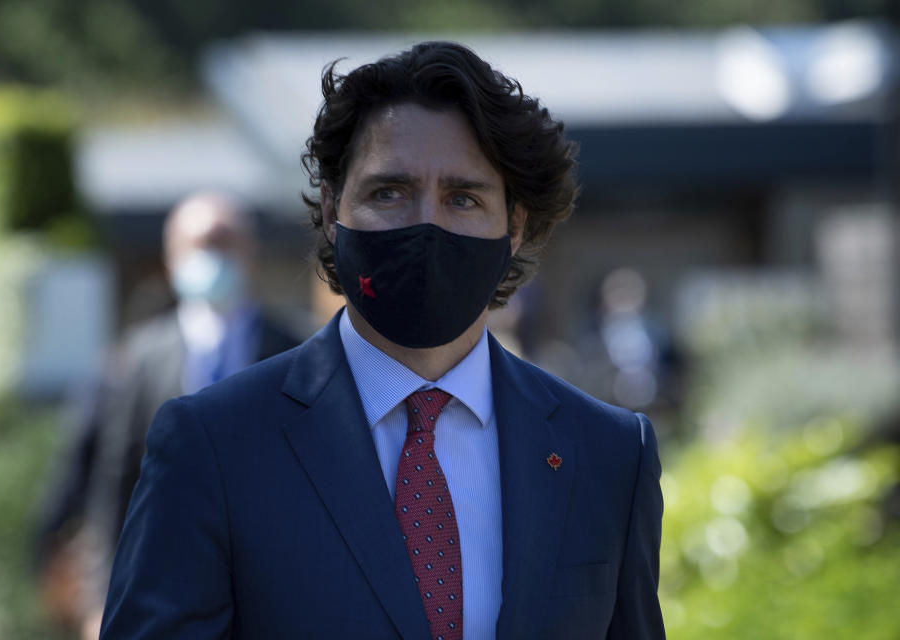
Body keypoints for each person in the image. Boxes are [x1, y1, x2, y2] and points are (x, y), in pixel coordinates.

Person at [100, 42, 664, 639]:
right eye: (388, 192)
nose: (427, 225)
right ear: (331, 209)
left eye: (463, 198)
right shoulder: (212, 444)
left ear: (514, 225)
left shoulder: (607, 454)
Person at [36, 192, 301, 639]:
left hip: (275, 592)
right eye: (197, 245)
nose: (210, 258)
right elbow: (114, 485)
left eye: (222, 242)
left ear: (249, 252)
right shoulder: (140, 357)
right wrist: (101, 599)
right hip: (169, 591)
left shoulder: (295, 352)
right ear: (172, 258)